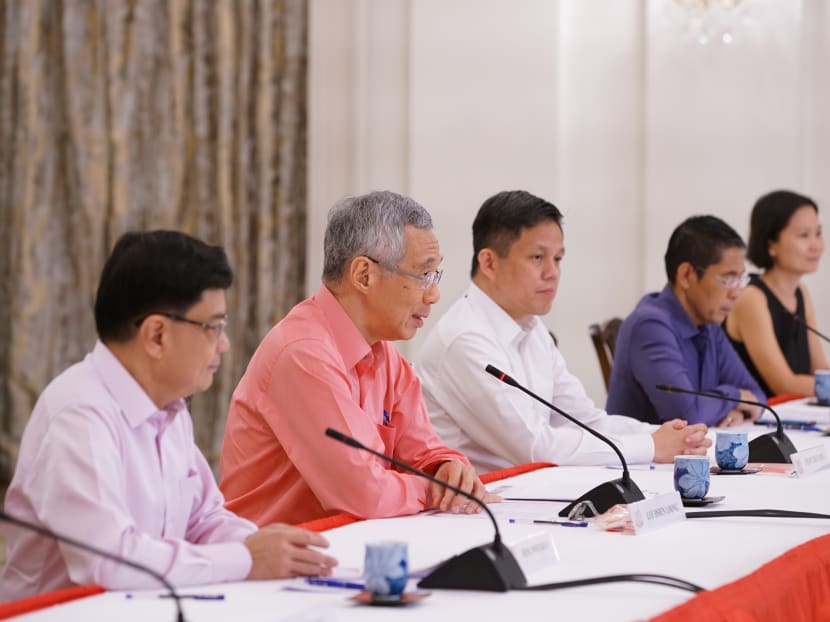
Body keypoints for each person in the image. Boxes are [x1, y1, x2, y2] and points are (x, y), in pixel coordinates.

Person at [0, 231, 337, 601]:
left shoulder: (169, 406)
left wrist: (265, 546)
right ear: (156, 335)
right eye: (214, 326)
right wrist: (244, 559)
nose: (223, 343)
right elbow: (111, 561)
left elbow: (203, 519)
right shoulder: (79, 415)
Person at [220, 191, 493, 526]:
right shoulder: (302, 353)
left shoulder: (385, 355)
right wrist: (433, 488)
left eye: (435, 276)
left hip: (348, 545)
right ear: (364, 275)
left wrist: (447, 468)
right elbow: (363, 494)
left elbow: (423, 451)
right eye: (423, 275)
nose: (433, 295)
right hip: (275, 561)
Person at [414, 190, 711, 474]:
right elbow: (535, 447)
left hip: (527, 496)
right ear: (489, 263)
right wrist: (650, 446)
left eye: (558, 259)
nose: (552, 272)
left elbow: (584, 420)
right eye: (537, 258)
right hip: (477, 512)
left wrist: (663, 434)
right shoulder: (465, 340)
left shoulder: (532, 328)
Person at [607, 215, 766, 427]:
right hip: (641, 459)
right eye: (728, 279)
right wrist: (734, 396)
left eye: (741, 279)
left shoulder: (709, 325)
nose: (736, 292)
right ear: (686, 275)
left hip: (690, 456)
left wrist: (734, 412)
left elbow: (758, 397)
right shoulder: (649, 327)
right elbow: (687, 415)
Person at [724, 190, 828, 397]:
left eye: (818, 233)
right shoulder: (751, 297)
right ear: (771, 244)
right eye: (804, 235)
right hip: (757, 422)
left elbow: (821, 372)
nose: (816, 245)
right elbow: (784, 384)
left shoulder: (801, 293)